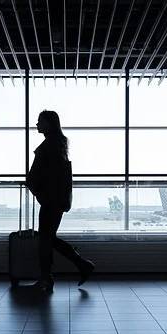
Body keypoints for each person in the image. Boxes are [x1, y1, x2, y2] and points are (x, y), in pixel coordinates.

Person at [26, 110, 95, 293]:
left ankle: (49, 277)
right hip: (56, 199)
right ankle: (78, 265)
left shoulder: (49, 145)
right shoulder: (58, 144)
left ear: (49, 124)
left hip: (50, 200)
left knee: (46, 238)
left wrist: (36, 188)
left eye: (40, 121)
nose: (37, 124)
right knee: (48, 238)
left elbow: (43, 174)